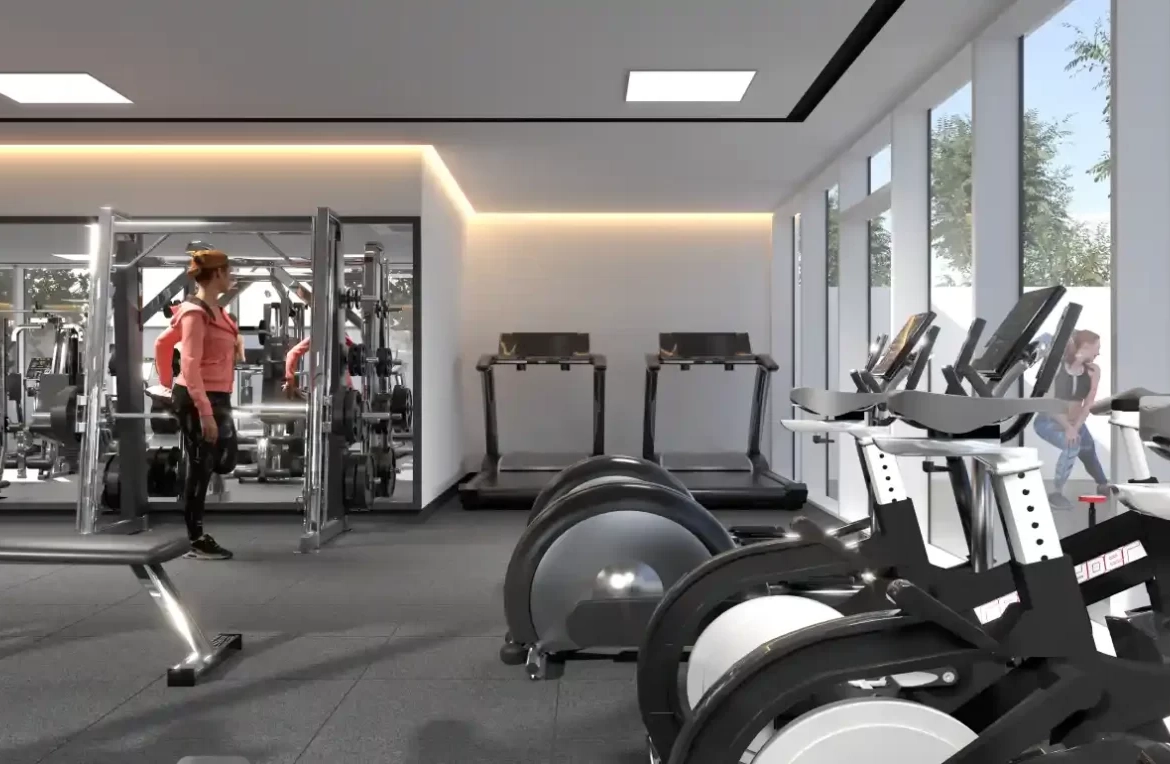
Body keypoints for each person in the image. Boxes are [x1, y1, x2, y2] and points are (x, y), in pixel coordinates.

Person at [154, 250, 239, 560]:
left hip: (218, 394)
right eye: (228, 271)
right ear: (217, 274)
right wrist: (199, 408)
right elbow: (188, 365)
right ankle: (196, 539)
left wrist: (167, 383)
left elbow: (162, 344)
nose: (231, 277)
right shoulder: (194, 314)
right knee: (202, 466)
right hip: (199, 396)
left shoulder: (215, 311)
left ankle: (193, 466)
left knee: (226, 460)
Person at [1032, 329, 1109, 510]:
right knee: (1072, 445)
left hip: (1075, 423)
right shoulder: (1056, 368)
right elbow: (1049, 403)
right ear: (1084, 347)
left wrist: (1076, 426)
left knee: (1088, 449)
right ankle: (1056, 494)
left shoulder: (1093, 371)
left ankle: (1103, 484)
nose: (1098, 353)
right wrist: (1068, 427)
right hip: (1048, 421)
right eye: (1096, 348)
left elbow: (1088, 403)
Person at [282, 334, 356, 398]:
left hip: (323, 390)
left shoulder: (318, 336)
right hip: (337, 389)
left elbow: (291, 354)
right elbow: (292, 354)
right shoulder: (343, 339)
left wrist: (289, 383)